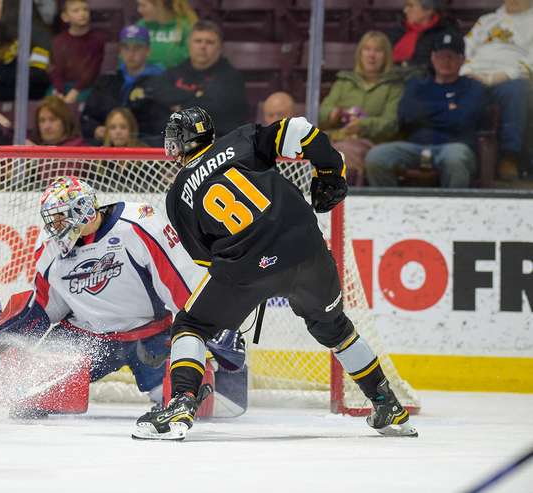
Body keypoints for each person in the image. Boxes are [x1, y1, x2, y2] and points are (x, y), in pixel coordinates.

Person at [131, 106, 418, 440]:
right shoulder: (241, 140)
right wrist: (329, 171)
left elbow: (207, 259)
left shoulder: (178, 194)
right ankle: (389, 407)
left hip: (247, 266)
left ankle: (182, 403)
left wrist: (247, 288)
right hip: (308, 251)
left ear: (177, 145)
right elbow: (298, 128)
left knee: (191, 325)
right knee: (336, 328)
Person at [0, 176, 202, 417]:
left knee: (185, 400)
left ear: (82, 210)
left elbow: (177, 283)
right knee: (27, 397)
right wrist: (9, 336)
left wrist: (202, 330)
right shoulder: (50, 249)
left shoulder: (138, 225)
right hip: (88, 338)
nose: (54, 227)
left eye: (60, 218)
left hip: (149, 334)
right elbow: (45, 308)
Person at [365, 32, 487, 188]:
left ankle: (454, 209)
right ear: (433, 58)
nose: (446, 61)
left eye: (451, 56)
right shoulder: (417, 84)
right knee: (377, 157)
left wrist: (425, 111)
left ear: (462, 60)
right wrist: (448, 108)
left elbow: (463, 119)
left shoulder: (473, 87)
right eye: (441, 56)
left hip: (453, 146)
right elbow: (406, 115)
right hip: (415, 146)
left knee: (456, 159)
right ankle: (390, 207)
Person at [319, 31, 404, 185]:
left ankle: (345, 199)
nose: (371, 55)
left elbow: (391, 123)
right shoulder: (344, 82)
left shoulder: (394, 86)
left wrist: (362, 126)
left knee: (341, 154)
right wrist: (333, 114)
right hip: (336, 137)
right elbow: (321, 113)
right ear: (360, 53)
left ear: (386, 56)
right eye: (367, 49)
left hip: (372, 143)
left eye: (377, 51)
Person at [460, 0, 532, 180]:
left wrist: (504, 75)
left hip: (511, 77)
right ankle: (465, 152)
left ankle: (510, 157)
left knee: (517, 89)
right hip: (475, 74)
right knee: (454, 88)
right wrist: (468, 72)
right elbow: (465, 48)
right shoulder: (486, 20)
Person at [148, 20, 248, 136]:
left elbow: (217, 109)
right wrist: (196, 95)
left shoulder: (231, 77)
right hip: (173, 139)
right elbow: (158, 92)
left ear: (220, 48)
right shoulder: (175, 71)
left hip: (216, 141)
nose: (203, 46)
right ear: (189, 44)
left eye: (210, 42)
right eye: (198, 41)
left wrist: (180, 107)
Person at [81, 24, 168, 146]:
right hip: (107, 151)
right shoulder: (106, 81)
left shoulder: (161, 84)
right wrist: (95, 129)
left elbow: (164, 128)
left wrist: (137, 142)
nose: (131, 53)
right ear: (120, 51)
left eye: (137, 48)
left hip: (145, 154)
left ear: (148, 51)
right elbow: (87, 118)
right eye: (126, 48)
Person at [49, 0, 107, 104]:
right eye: (76, 11)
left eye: (85, 9)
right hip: (62, 85)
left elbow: (92, 70)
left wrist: (76, 90)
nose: (82, 14)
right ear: (65, 17)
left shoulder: (97, 39)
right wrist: (59, 91)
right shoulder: (58, 41)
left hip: (86, 86)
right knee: (51, 103)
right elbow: (56, 70)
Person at [387, 0, 460, 72]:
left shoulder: (446, 34)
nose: (405, 10)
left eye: (410, 6)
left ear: (428, 10)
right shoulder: (398, 30)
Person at [136, 0, 198, 69]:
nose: (139, 10)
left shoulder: (185, 27)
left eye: (143, 6)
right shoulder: (140, 26)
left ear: (160, 4)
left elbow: (191, 59)